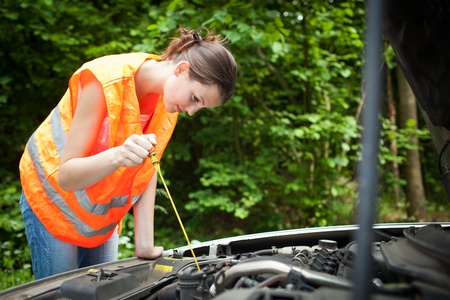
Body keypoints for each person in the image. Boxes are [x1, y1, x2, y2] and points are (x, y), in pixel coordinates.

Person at [19, 27, 237, 279]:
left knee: (101, 293)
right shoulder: (104, 82)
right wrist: (118, 155)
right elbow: (66, 177)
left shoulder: (169, 101)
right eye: (196, 99)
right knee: (59, 295)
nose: (191, 111)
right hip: (52, 200)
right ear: (182, 70)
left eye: (201, 107)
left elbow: (147, 168)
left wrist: (145, 243)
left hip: (98, 216)